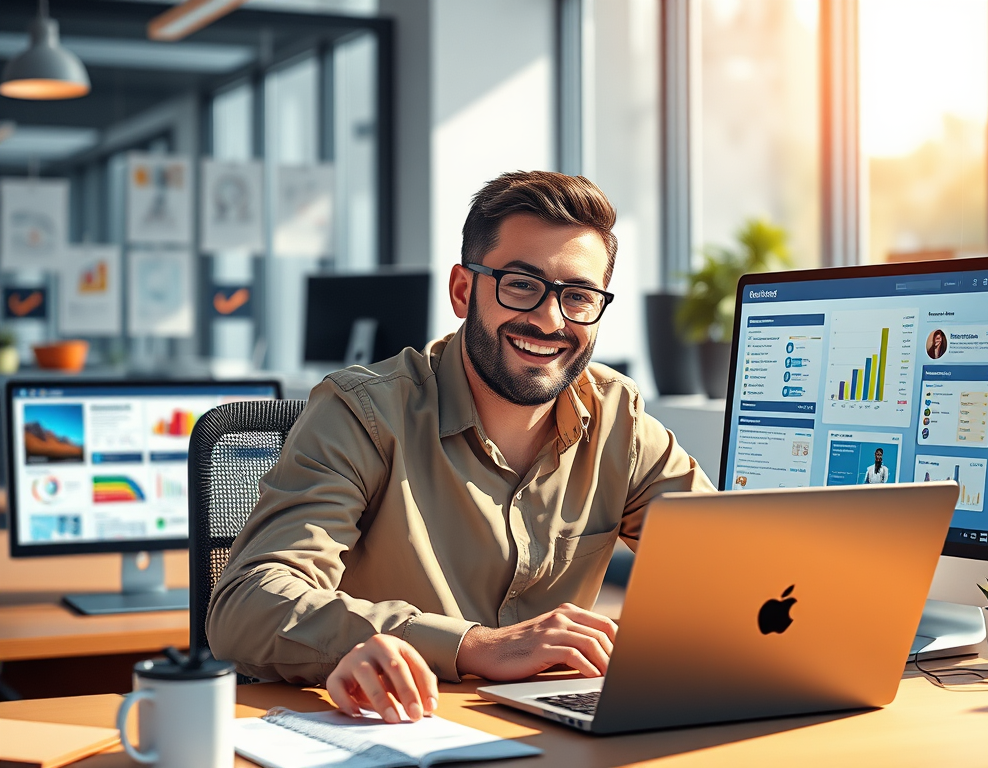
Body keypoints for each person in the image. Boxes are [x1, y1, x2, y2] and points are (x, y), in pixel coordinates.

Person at [207, 171, 715, 723]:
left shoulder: (619, 418)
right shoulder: (360, 413)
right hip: (398, 732)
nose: (550, 320)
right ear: (463, 290)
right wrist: (474, 646)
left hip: (551, 735)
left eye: (578, 296)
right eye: (521, 284)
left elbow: (727, 564)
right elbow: (245, 605)